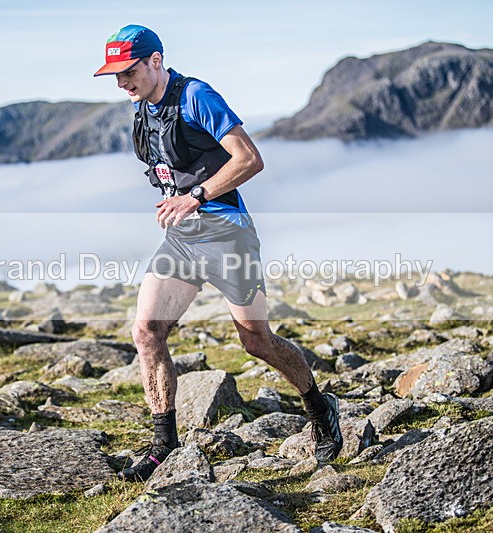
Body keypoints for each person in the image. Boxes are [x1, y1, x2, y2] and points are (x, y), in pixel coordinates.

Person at [94, 24, 343, 482]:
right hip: (183, 238)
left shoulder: (196, 96)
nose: (121, 82)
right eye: (113, 75)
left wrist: (196, 196)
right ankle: (163, 446)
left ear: (155, 61)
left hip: (227, 233)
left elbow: (249, 158)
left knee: (256, 342)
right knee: (147, 332)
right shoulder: (142, 108)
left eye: (127, 71)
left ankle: (319, 406)